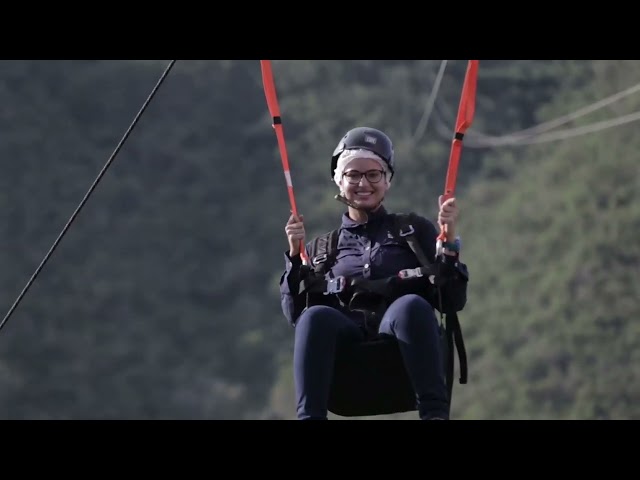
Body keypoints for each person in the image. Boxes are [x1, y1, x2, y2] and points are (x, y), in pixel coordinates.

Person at [279, 126, 469, 420]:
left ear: (387, 180)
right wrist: (294, 255)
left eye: (373, 174)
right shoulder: (322, 249)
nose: (363, 183)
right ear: (339, 181)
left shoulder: (413, 232)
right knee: (314, 316)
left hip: (401, 357)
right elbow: (296, 316)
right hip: (350, 370)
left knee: (410, 306)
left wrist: (450, 240)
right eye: (353, 175)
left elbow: (452, 300)